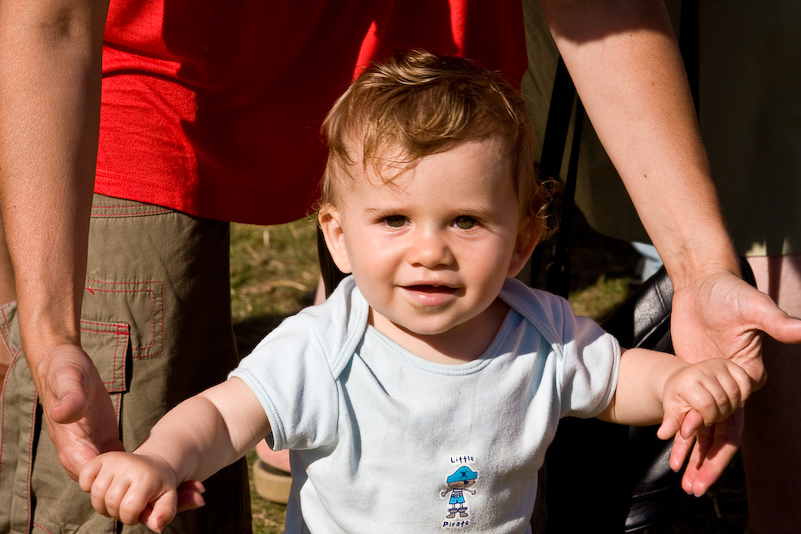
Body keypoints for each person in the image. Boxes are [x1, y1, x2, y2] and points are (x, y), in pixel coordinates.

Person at [2, 1, 800, 532]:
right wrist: (157, 459)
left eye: (465, 222)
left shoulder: (538, 327)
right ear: (337, 238)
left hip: (428, 47)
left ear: (524, 240)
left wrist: (684, 378)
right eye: (393, 223)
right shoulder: (322, 345)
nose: (429, 250)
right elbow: (221, 416)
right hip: (166, 78)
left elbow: (617, 379)